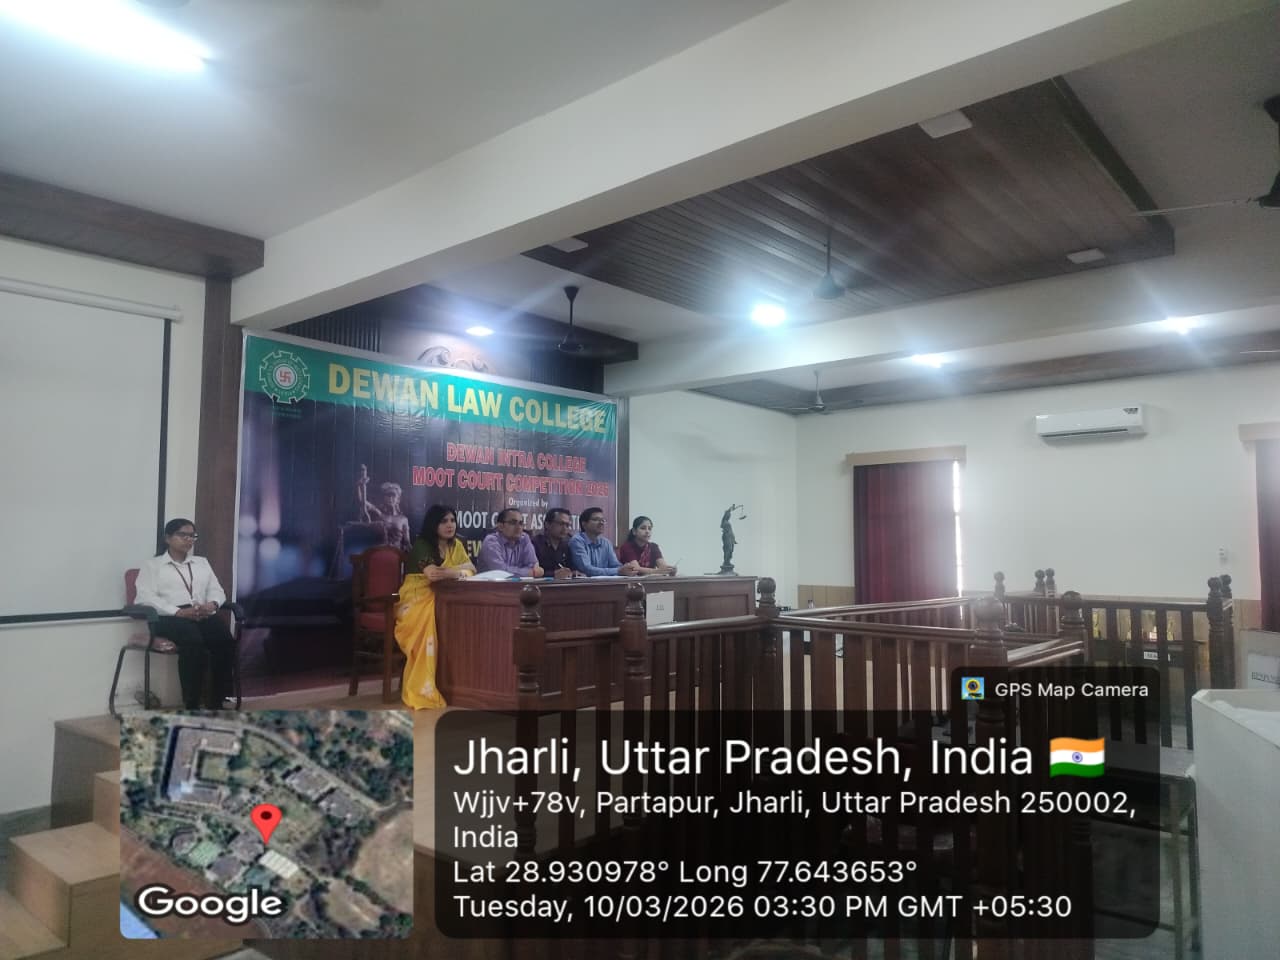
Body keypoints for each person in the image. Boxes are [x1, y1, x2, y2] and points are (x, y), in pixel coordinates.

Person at [133, 518, 235, 710]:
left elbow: (217, 590)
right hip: (168, 617)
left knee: (224, 639)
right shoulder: (152, 565)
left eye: (192, 536)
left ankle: (217, 700)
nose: (188, 539)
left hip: (200, 613)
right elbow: (145, 597)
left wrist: (212, 604)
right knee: (193, 641)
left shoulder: (201, 563)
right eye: (183, 535)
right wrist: (178, 611)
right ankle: (192, 702)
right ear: (167, 538)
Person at [394, 504, 475, 709]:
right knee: (433, 616)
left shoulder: (456, 545)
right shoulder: (422, 545)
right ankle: (424, 688)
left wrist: (451, 571)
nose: (450, 525)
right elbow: (433, 575)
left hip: (444, 596)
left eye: (452, 520)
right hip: (416, 597)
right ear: (433, 524)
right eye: (444, 521)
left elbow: (473, 569)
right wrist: (459, 571)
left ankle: (455, 683)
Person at [569, 507, 641, 577]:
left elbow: (615, 565)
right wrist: (618, 571)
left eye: (603, 520)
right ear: (584, 524)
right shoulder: (577, 541)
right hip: (584, 584)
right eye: (596, 519)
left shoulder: (606, 542)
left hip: (605, 583)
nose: (601, 523)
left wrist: (626, 569)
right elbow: (586, 569)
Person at [355, 465, 411, 551]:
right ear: (384, 498)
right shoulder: (379, 513)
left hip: (396, 555)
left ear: (398, 499)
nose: (390, 498)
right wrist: (359, 485)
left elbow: (407, 543)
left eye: (393, 496)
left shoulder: (403, 519)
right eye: (388, 495)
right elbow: (362, 501)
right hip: (379, 553)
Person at [476, 508, 544, 578]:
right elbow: (500, 572)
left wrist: (532, 572)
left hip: (520, 584)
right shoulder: (491, 542)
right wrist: (529, 573)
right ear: (500, 526)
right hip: (489, 584)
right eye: (513, 523)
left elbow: (533, 566)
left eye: (521, 523)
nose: (518, 527)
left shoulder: (524, 539)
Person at [531, 507, 582, 579]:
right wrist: (553, 574)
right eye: (561, 524)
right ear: (547, 524)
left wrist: (574, 573)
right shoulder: (535, 543)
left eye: (567, 525)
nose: (565, 528)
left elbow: (571, 567)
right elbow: (531, 572)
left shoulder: (567, 544)